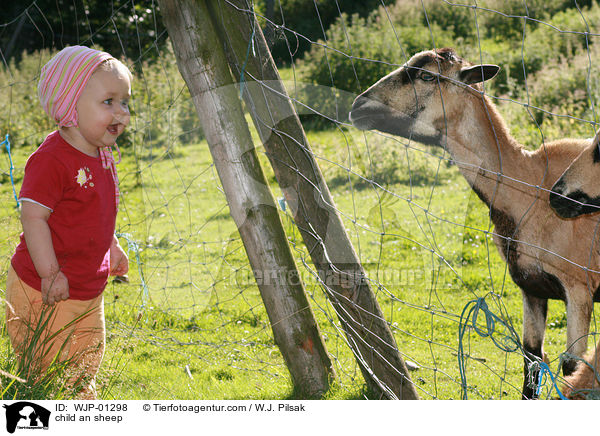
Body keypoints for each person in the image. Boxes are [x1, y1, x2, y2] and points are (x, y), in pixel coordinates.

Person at [5, 45, 131, 398]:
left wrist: (112, 245)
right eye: (108, 101)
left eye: (124, 102)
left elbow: (98, 212)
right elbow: (34, 218)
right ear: (69, 104)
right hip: (44, 288)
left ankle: (80, 398)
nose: (121, 111)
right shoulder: (51, 160)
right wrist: (49, 272)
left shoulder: (103, 154)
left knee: (88, 354)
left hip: (88, 285)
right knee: (49, 367)